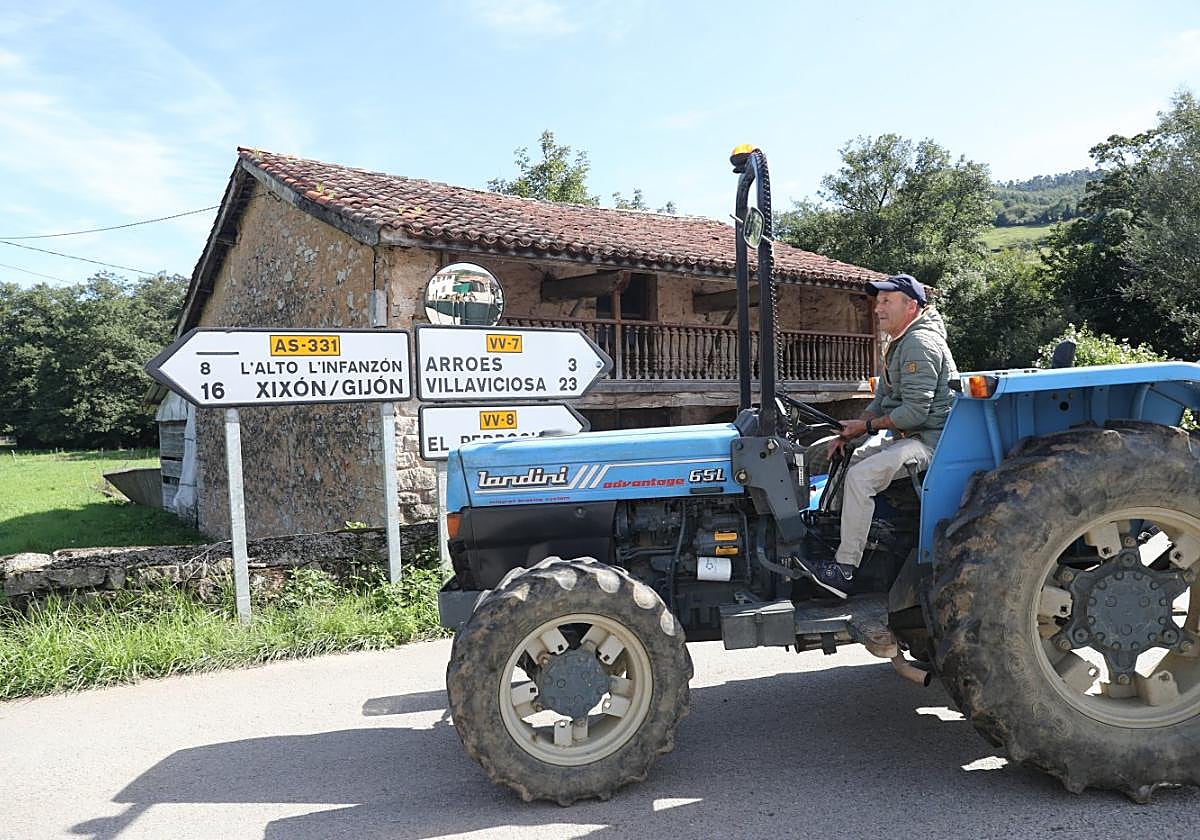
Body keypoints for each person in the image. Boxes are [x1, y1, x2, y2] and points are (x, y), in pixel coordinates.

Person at [797, 273, 958, 598]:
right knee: (851, 457)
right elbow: (881, 400)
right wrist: (850, 433)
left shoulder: (919, 344)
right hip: (906, 436)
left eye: (887, 301)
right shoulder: (898, 343)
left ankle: (844, 570)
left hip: (931, 442)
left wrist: (866, 428)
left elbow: (916, 413)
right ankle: (836, 538)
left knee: (861, 477)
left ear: (911, 305)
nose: (878, 308)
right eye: (878, 301)